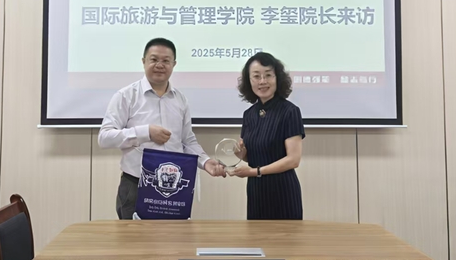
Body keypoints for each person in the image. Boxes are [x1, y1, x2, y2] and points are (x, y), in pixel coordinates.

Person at [98, 38, 226, 219]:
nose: (160, 65)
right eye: (154, 59)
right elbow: (104, 137)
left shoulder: (180, 99)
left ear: (174, 64)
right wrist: (145, 133)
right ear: (143, 61)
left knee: (173, 237)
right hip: (136, 185)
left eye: (166, 60)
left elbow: (187, 141)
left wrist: (205, 162)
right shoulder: (126, 96)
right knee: (132, 238)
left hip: (173, 187)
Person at [229, 52, 304, 220]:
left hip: (283, 191)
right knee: (256, 236)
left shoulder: (290, 111)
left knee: (286, 237)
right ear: (249, 81)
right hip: (256, 191)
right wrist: (241, 154)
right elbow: (253, 155)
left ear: (278, 78)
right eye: (256, 76)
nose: (262, 81)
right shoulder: (249, 114)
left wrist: (254, 171)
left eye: (268, 75)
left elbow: (293, 160)